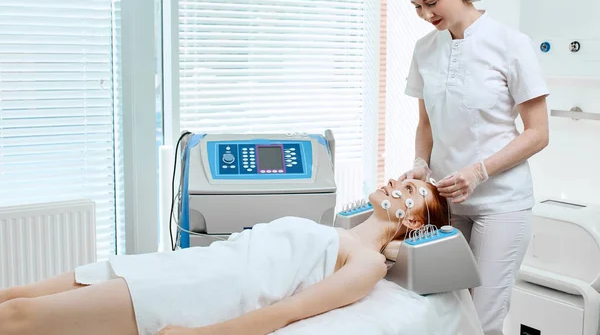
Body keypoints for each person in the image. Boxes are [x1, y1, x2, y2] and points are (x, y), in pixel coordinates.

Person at [0, 178, 449, 335]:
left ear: (413, 222)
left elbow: (292, 310)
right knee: (14, 296)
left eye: (409, 192)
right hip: (184, 265)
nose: (396, 183)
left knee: (18, 317)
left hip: (196, 291)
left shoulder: (368, 263)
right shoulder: (339, 231)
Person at [397, 0, 550, 335]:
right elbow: (426, 123)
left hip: (501, 203)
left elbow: (538, 133)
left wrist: (480, 171)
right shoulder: (424, 50)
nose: (426, 15)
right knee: (447, 311)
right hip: (448, 203)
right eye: (417, 7)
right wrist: (420, 164)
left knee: (482, 319)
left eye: (432, 2)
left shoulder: (511, 44)